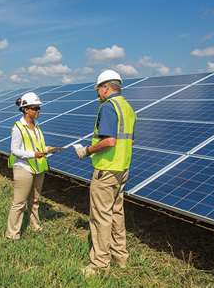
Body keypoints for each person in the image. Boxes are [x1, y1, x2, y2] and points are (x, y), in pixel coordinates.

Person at [74, 70, 136, 276]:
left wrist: (87, 151)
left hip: (106, 170)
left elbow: (109, 141)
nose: (97, 93)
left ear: (106, 87)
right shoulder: (127, 108)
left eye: (98, 89)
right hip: (122, 168)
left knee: (100, 216)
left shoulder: (108, 107)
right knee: (117, 213)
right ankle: (120, 256)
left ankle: (99, 264)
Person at [5, 92, 58, 240]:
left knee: (35, 200)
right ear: (26, 109)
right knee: (19, 202)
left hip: (38, 168)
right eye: (35, 108)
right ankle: (12, 234)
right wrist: (33, 154)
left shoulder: (37, 127)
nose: (38, 111)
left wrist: (47, 149)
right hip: (23, 168)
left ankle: (35, 226)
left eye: (38, 108)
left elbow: (37, 145)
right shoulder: (18, 127)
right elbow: (14, 150)